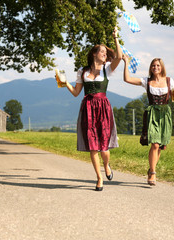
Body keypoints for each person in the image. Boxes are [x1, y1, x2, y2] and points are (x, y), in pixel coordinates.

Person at [61, 28, 122, 191]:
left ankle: (107, 165)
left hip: (103, 108)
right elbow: (76, 93)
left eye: (105, 52)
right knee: (93, 146)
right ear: (94, 54)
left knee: (104, 148)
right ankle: (99, 178)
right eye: (102, 51)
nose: (104, 54)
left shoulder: (107, 69)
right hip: (88, 109)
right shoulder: (83, 71)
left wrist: (115, 37)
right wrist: (65, 82)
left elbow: (120, 57)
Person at [122, 54, 174, 186]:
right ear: (150, 68)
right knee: (154, 144)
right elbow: (127, 79)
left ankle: (151, 169)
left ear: (162, 68)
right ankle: (153, 173)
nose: (155, 67)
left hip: (165, 114)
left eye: (158, 65)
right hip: (152, 115)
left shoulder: (169, 81)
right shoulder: (147, 81)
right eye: (153, 65)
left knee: (160, 146)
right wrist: (126, 62)